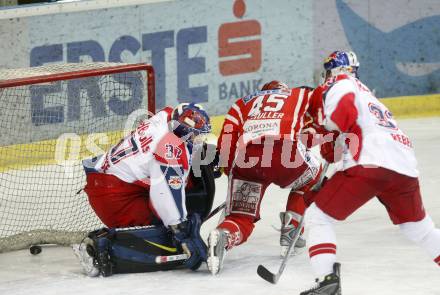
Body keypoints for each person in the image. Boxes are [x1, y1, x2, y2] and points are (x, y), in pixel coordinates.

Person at [300, 51, 440, 295]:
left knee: (318, 217)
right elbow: (338, 142)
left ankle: (326, 281)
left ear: (332, 70)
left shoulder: (338, 83)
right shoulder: (368, 94)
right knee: (418, 228)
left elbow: (342, 117)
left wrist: (328, 133)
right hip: (403, 162)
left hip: (370, 162)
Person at [73, 103, 214, 276]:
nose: (198, 140)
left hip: (111, 181)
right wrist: (181, 231)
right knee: (172, 242)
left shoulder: (167, 116)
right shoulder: (170, 150)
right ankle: (99, 249)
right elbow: (163, 198)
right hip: (114, 198)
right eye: (196, 136)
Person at [207, 81, 324, 275]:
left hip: (246, 161)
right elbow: (315, 128)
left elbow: (227, 141)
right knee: (314, 177)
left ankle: (224, 235)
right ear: (284, 90)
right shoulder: (299, 95)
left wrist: (232, 177)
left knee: (240, 217)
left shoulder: (242, 103)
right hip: (285, 154)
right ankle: (292, 226)